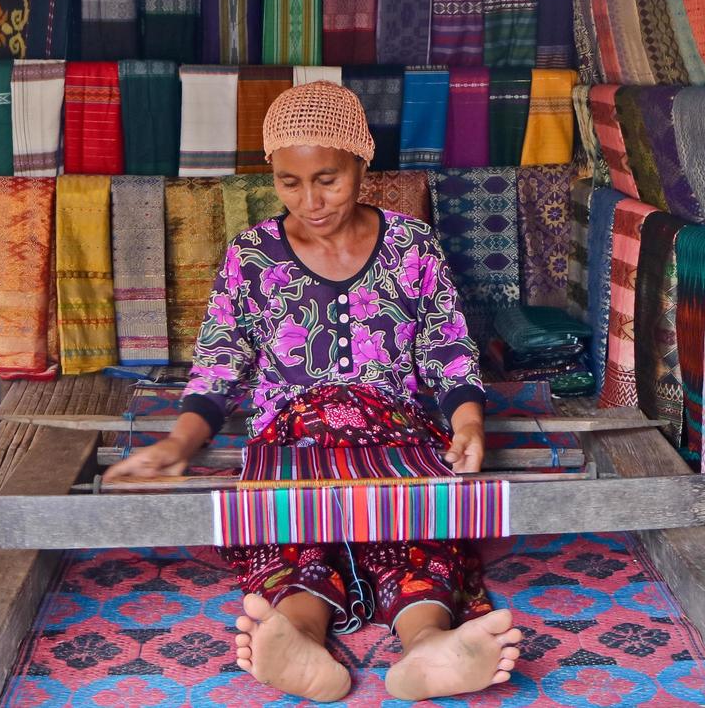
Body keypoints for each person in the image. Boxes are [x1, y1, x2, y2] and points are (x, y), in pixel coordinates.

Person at [105, 81, 521, 702]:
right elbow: (220, 365)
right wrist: (180, 441)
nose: (312, 200)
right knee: (290, 529)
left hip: (395, 433)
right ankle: (297, 636)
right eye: (290, 183)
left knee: (417, 528)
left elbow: (448, 350)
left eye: (328, 178)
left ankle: (429, 644)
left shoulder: (412, 246)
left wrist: (467, 426)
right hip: (291, 437)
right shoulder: (252, 256)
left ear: (362, 160)